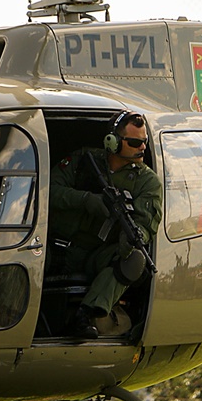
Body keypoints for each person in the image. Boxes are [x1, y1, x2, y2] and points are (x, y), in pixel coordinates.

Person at [48, 110, 163, 339]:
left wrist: (130, 237)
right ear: (113, 142)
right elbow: (47, 190)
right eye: (134, 142)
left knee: (135, 259)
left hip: (96, 255)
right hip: (54, 247)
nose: (142, 148)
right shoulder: (83, 162)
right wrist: (85, 200)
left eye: (144, 142)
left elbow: (145, 224)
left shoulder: (146, 182)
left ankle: (88, 314)